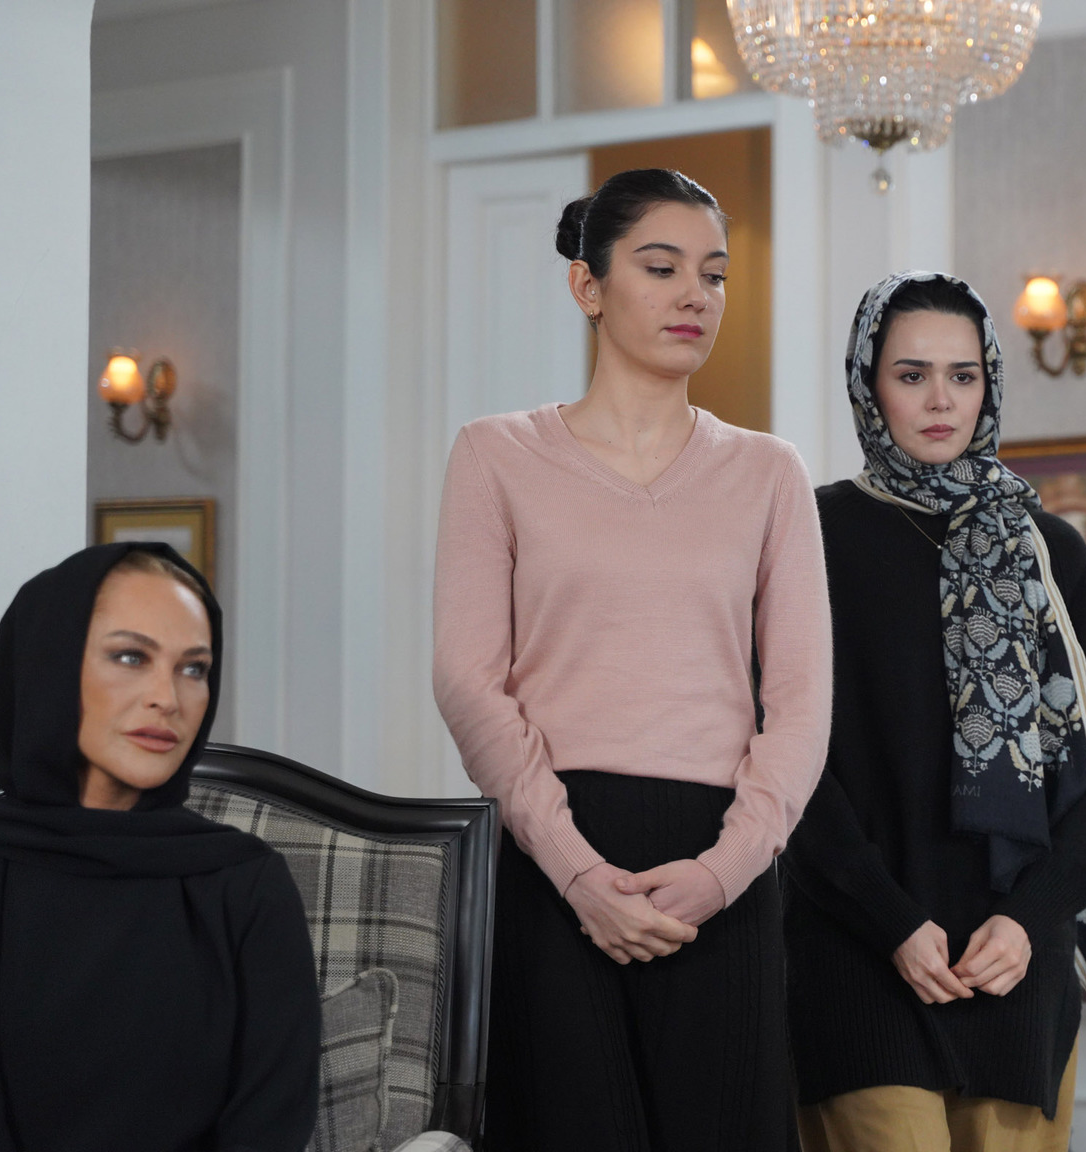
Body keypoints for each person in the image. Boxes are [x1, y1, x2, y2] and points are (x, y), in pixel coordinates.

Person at [433, 166, 832, 1151]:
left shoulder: (769, 472)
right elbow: (468, 682)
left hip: (723, 866)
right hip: (551, 860)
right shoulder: (494, 455)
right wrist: (575, 872)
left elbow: (801, 701)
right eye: (661, 268)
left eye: (714, 274)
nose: (695, 294)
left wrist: (726, 870)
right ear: (588, 285)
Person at [785, 271, 1086, 1152]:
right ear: (866, 384)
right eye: (910, 375)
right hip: (857, 949)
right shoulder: (808, 536)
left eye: (962, 374)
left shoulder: (1047, 550)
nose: (940, 400)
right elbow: (784, 759)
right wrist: (890, 922)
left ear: (989, 384)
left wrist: (1029, 922)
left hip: (1013, 958)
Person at [0, 542, 320, 1151]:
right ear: (47, 665)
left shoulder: (247, 886)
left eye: (194, 669)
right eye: (131, 656)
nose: (168, 697)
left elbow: (270, 1129)